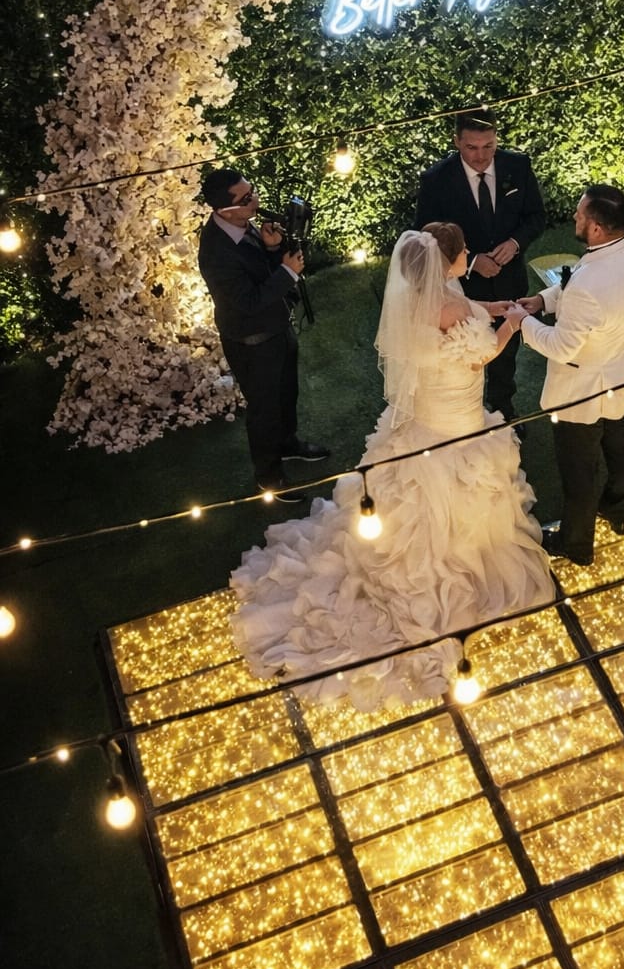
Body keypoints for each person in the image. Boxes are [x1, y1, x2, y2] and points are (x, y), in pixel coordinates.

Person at [230, 223, 554, 708]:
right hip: (455, 426)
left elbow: (463, 309)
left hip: (424, 421)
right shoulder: (449, 306)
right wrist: (512, 323)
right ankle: (451, 587)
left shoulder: (426, 297)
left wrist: (493, 306)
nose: (469, 253)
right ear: (447, 261)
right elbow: (480, 355)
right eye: (464, 250)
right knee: (457, 505)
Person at [517, 184, 624, 567]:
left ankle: (576, 544)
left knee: (579, 470)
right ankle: (617, 509)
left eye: (580, 214)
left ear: (595, 227)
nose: (575, 218)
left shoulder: (589, 287)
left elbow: (562, 345)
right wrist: (544, 300)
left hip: (582, 390)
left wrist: (522, 321)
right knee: (621, 444)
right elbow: (583, 286)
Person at [198, 167, 328, 504]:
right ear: (225, 210)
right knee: (264, 410)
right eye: (246, 199)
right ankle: (269, 477)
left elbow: (259, 271)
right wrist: (286, 271)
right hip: (252, 342)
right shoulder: (215, 252)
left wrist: (272, 250)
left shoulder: (244, 223)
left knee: (286, 394)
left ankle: (287, 444)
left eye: (252, 191)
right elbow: (247, 301)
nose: (255, 200)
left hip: (277, 328)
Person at [415, 108, 545, 423]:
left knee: (506, 354)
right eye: (472, 147)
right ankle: (467, 411)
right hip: (462, 287)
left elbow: (536, 216)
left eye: (489, 146)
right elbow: (425, 234)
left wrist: (514, 243)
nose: (481, 156)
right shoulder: (436, 180)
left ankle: (502, 409)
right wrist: (472, 261)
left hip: (509, 279)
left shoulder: (518, 166)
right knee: (463, 356)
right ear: (457, 141)